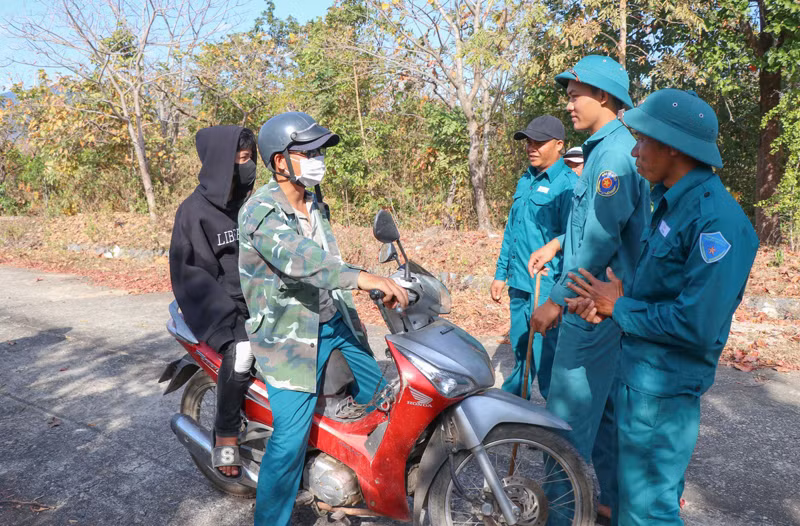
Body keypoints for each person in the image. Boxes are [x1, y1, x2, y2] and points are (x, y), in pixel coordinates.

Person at [566, 89, 759, 525]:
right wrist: (606, 302)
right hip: (638, 381)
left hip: (663, 392)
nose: (634, 150)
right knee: (635, 506)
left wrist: (620, 309)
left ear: (674, 146)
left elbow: (698, 324)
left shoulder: (716, 221)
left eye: (643, 140)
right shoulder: (672, 203)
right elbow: (657, 292)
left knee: (647, 514)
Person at [238, 112, 409, 526]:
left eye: (319, 150)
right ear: (280, 162)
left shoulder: (316, 202)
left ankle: (369, 486)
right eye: (307, 151)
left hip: (333, 323)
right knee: (290, 440)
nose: (318, 159)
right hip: (289, 338)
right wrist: (361, 276)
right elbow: (303, 261)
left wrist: (365, 287)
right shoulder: (260, 213)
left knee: (383, 400)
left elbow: (327, 261)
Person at [526, 55, 650, 521]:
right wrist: (559, 243)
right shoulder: (606, 148)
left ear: (602, 96)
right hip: (602, 303)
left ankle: (560, 515)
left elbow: (598, 242)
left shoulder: (612, 157)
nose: (570, 104)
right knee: (606, 422)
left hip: (588, 308)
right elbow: (591, 227)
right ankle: (614, 505)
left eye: (576, 94)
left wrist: (554, 303)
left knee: (564, 427)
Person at [169, 126, 258, 478]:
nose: (247, 167)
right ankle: (226, 435)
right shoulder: (193, 212)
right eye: (239, 161)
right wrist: (227, 314)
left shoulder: (253, 205)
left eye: (250, 160)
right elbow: (189, 274)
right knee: (243, 354)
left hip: (262, 298)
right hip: (219, 306)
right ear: (219, 163)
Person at [491, 115, 577, 401]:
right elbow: (512, 230)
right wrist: (500, 274)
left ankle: (555, 434)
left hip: (546, 287)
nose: (531, 147)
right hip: (519, 282)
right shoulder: (525, 179)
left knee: (546, 360)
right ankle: (516, 418)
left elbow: (575, 239)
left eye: (539, 142)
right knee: (521, 350)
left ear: (560, 145)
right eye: (529, 141)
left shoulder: (568, 185)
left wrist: (561, 294)